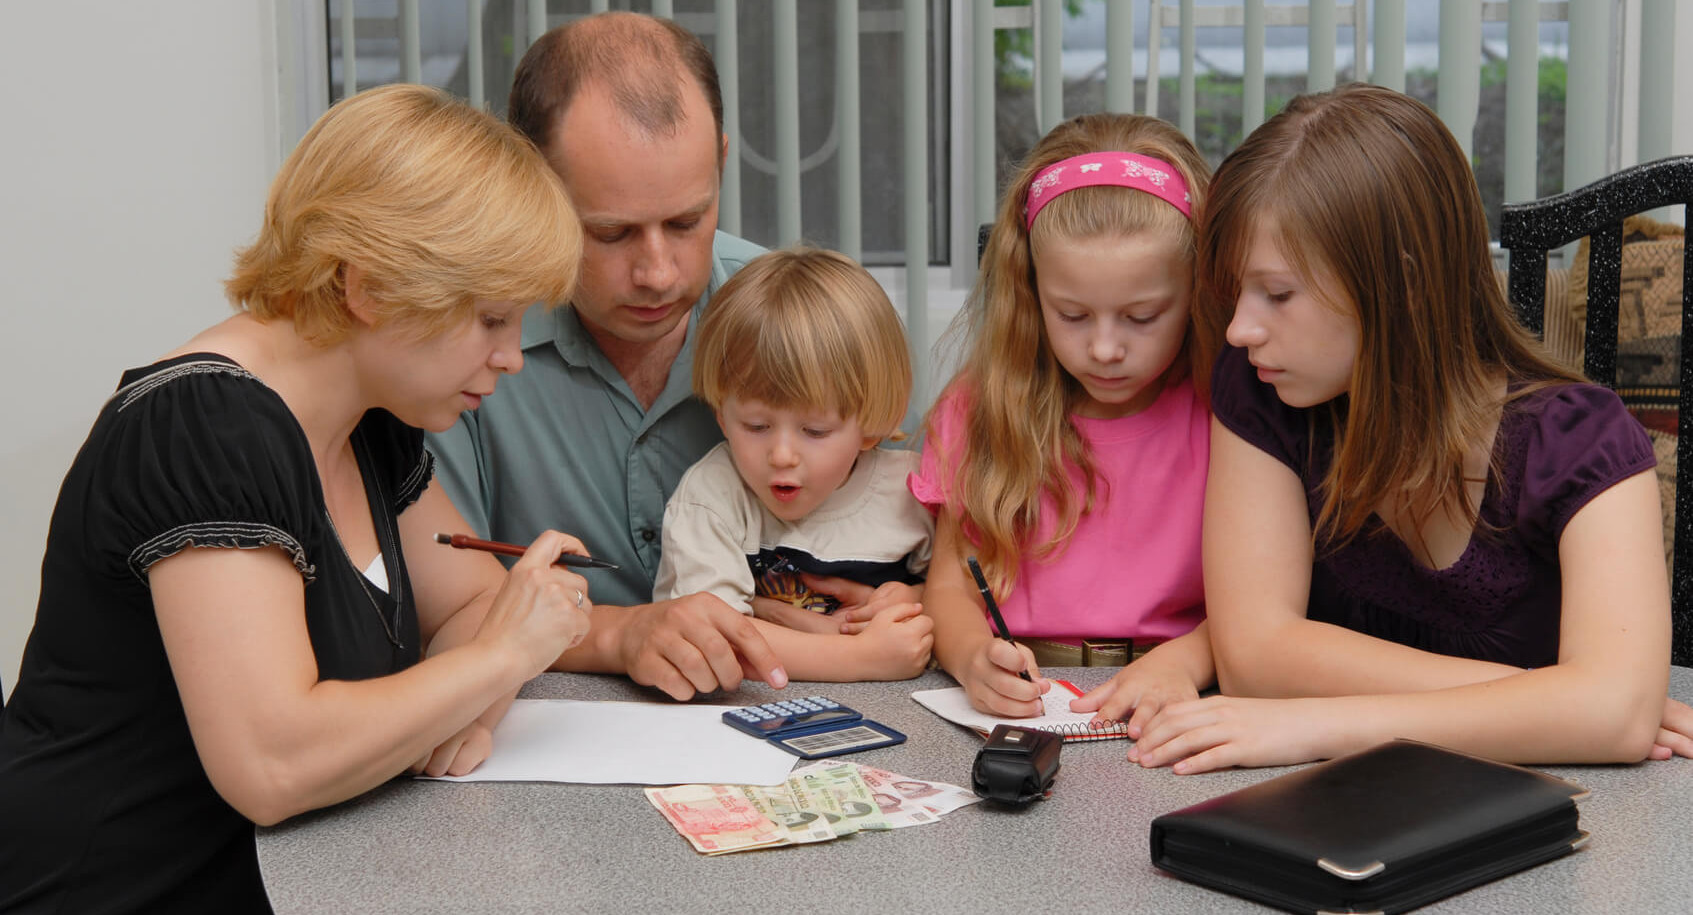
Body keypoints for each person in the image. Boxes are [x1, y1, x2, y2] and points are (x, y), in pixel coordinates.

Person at [0, 85, 599, 913]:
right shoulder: (203, 428)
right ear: (369, 288)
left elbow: (472, 603)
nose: (512, 357)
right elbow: (274, 767)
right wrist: (497, 663)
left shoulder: (372, 422)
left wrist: (452, 694)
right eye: (490, 318)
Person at [1131, 82, 1693, 775]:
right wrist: (1556, 703)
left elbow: (1612, 716)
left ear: (1402, 285)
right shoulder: (1260, 388)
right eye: (1237, 290)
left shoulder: (1584, 442)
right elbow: (1253, 657)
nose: (1240, 328)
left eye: (1277, 294)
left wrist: (1316, 724)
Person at [426, 11, 890, 700]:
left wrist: (909, 604)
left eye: (686, 221)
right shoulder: (456, 349)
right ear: (532, 185)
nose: (658, 273)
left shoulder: (802, 322)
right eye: (610, 233)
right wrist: (622, 631)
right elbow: (445, 618)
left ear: (722, 162)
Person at [910, 113, 1215, 732]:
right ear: (1030, 293)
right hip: (1028, 709)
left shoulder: (1228, 419)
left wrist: (1186, 661)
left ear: (1198, 291)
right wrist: (974, 659)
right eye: (1072, 315)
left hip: (1179, 705)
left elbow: (1268, 605)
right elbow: (948, 588)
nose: (1105, 348)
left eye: (1143, 315)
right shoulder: (978, 410)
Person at [654, 247, 935, 680]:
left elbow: (975, 599)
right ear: (721, 414)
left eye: (815, 431)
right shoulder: (712, 498)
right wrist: (861, 658)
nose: (782, 455)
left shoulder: (912, 492)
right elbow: (710, 639)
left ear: (873, 425)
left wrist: (917, 598)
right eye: (756, 425)